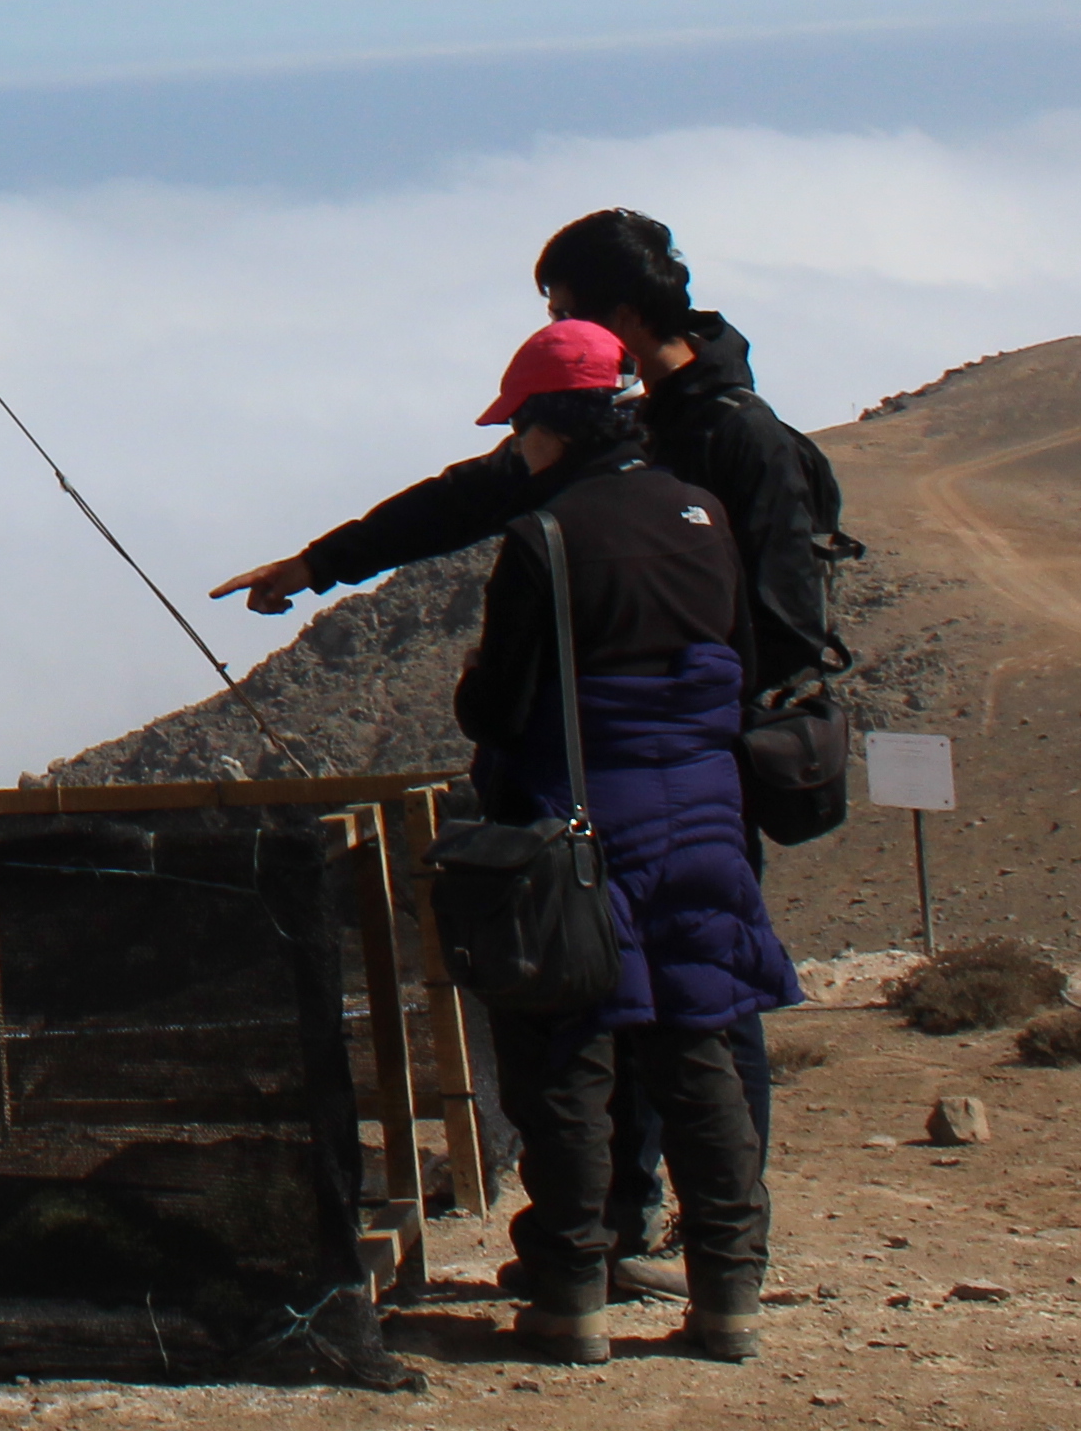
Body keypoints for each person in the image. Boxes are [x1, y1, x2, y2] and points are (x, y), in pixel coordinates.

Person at [205, 207, 840, 1256]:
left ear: (620, 317)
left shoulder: (735, 442)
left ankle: (684, 1239)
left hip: (686, 774)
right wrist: (320, 564)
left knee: (697, 1013)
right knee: (660, 998)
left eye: (561, 309)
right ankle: (672, 1238)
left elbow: (781, 626)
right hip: (670, 779)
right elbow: (463, 500)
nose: (553, 325)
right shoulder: (614, 428)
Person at [443, 318, 797, 1366]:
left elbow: (499, 710)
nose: (515, 450)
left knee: (568, 1065)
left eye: (520, 431)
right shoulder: (703, 514)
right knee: (699, 1053)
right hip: (707, 826)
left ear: (549, 427)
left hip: (581, 836)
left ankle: (572, 1298)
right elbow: (738, 653)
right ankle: (729, 1300)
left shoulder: (542, 537)